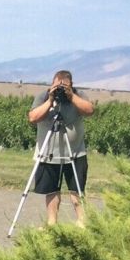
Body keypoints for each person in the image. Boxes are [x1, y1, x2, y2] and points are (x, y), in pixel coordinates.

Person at [27, 70, 94, 226]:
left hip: (76, 152)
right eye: (57, 86)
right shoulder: (43, 96)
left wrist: (71, 96)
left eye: (64, 86)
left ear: (71, 85)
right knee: (51, 190)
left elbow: (90, 110)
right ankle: (52, 223)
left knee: (77, 190)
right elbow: (33, 117)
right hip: (49, 153)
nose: (60, 90)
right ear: (52, 84)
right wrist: (50, 99)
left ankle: (82, 222)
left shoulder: (78, 95)